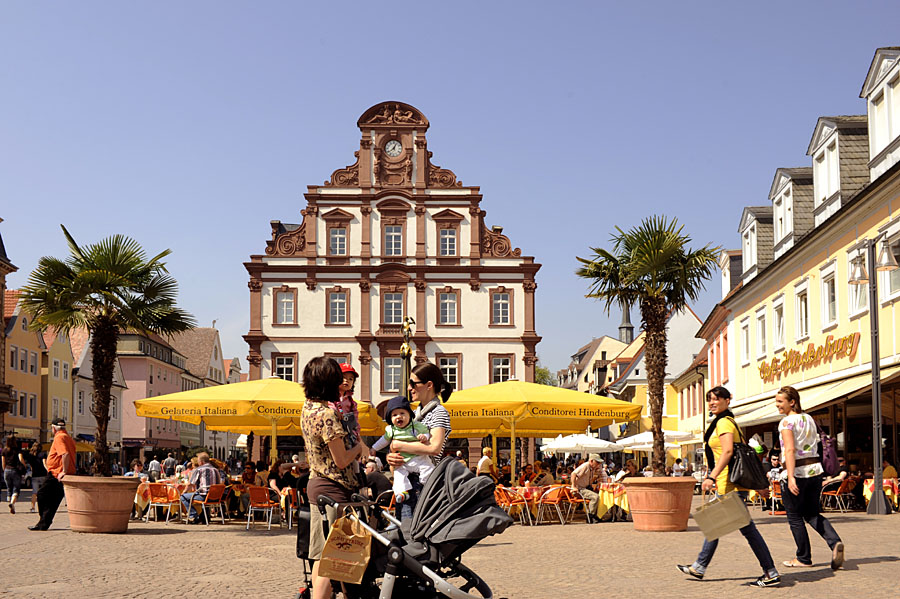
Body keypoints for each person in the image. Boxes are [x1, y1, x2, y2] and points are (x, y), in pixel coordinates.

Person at [677, 387, 780, 587]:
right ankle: (700, 566)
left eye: (716, 399)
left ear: (727, 400)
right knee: (716, 526)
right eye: (709, 400)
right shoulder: (725, 422)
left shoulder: (724, 422)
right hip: (730, 484)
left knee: (742, 530)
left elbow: (728, 452)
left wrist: (711, 477)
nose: (712, 403)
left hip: (729, 484)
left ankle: (770, 572)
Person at [301, 356, 366, 599]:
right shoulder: (326, 414)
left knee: (320, 557)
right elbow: (341, 460)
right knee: (336, 559)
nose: (343, 384)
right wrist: (359, 448)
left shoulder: (308, 407)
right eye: (338, 380)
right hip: (334, 488)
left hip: (316, 484)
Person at [775, 386, 844, 570]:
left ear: (792, 402)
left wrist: (790, 477)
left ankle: (803, 558)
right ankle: (834, 542)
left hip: (796, 472)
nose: (777, 405)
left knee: (795, 517)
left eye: (780, 401)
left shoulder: (786, 422)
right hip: (814, 472)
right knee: (812, 514)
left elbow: (789, 450)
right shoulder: (810, 419)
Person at [385, 362, 453, 519]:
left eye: (413, 383)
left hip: (424, 483)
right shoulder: (415, 413)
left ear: (429, 385)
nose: (409, 388)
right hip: (408, 480)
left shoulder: (439, 412)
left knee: (414, 534)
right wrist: (391, 456)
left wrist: (398, 445)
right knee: (407, 530)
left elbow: (435, 447)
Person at [372, 396, 433, 503]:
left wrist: (424, 437)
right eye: (394, 415)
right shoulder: (391, 430)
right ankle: (401, 493)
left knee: (428, 468)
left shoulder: (416, 426)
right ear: (390, 419)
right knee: (399, 475)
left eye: (402, 413)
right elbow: (384, 440)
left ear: (410, 415)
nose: (399, 417)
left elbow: (427, 433)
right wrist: (374, 448)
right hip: (402, 460)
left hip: (417, 457)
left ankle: (429, 485)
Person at [29, 418, 75, 531]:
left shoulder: (59, 437)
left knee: (41, 495)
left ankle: (43, 521)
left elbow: (65, 454)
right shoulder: (69, 438)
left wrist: (63, 471)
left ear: (54, 428)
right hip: (62, 473)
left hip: (56, 473)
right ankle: (43, 523)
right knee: (54, 500)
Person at [180, 452, 223, 524]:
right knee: (201, 494)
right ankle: (204, 517)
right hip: (216, 497)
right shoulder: (216, 470)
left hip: (204, 496)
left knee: (183, 497)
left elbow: (190, 484)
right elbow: (219, 483)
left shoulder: (199, 470)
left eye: (199, 461)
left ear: (202, 462)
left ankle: (194, 515)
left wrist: (184, 491)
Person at [570, 454, 605, 524]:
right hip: (579, 489)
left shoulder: (592, 468)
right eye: (597, 462)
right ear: (591, 461)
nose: (599, 464)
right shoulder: (585, 466)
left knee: (600, 495)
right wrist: (573, 486)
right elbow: (573, 474)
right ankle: (590, 516)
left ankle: (595, 515)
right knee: (595, 497)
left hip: (584, 488)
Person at [21, 442, 48, 513]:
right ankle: (44, 507)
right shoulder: (43, 454)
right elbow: (44, 463)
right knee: (43, 492)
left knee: (34, 492)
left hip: (35, 475)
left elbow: (30, 464)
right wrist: (48, 470)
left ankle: (33, 508)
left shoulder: (30, 455)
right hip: (43, 475)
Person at [2, 436, 22, 514]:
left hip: (7, 470)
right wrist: (23, 465)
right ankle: (12, 503)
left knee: (9, 488)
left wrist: (5, 470)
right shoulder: (17, 450)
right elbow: (21, 459)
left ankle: (10, 501)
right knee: (16, 489)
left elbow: (3, 462)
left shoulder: (4, 450)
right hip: (15, 471)